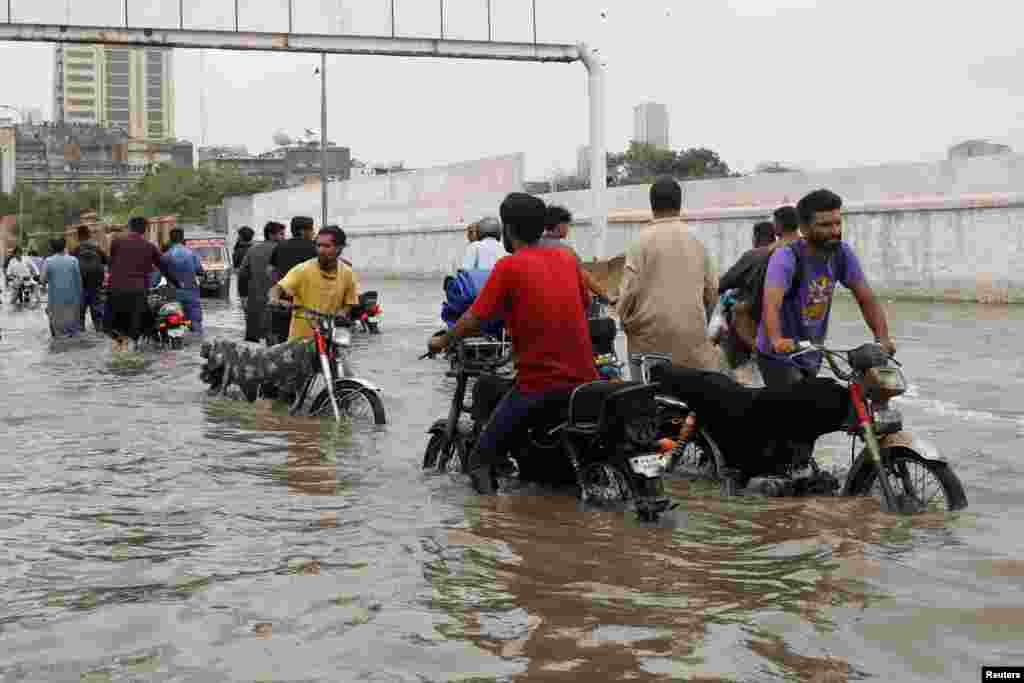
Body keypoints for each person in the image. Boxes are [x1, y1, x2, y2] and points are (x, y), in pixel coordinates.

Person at [427, 193, 599, 495]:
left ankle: (487, 530)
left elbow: (473, 319)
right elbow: (583, 306)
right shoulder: (567, 259)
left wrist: (444, 340)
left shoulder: (509, 267)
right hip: (586, 382)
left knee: (480, 458)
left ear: (507, 229)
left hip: (539, 385)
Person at [759, 188, 895, 388]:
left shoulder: (842, 254)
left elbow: (866, 299)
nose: (834, 231)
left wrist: (882, 339)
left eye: (837, 223)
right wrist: (777, 340)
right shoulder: (786, 257)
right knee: (795, 405)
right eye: (824, 225)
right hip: (778, 355)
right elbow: (771, 304)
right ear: (804, 229)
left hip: (811, 351)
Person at [617, 176, 720, 380]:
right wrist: (698, 321)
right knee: (694, 400)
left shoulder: (640, 241)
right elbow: (712, 291)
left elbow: (629, 292)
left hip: (649, 341)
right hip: (692, 341)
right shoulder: (697, 239)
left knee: (647, 398)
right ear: (679, 203)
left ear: (652, 204)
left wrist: (625, 321)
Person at [268, 225, 358, 341]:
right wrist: (274, 299)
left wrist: (342, 313)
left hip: (330, 337)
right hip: (300, 342)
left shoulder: (348, 273)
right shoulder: (302, 269)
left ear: (339, 248)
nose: (321, 250)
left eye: (327, 246)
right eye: (318, 245)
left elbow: (349, 302)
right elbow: (277, 288)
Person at [108, 216, 179, 352]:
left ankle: (120, 346)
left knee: (118, 327)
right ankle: (139, 345)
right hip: (138, 291)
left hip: (116, 290)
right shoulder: (150, 247)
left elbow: (111, 264)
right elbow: (164, 268)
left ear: (129, 228)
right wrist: (177, 283)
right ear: (146, 230)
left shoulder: (116, 242)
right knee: (143, 323)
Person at [540, 205, 616, 307]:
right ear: (560, 225)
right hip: (565, 302)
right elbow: (584, 276)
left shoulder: (536, 244)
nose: (568, 228)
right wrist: (606, 297)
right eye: (567, 225)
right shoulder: (564, 249)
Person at [268, 216, 319, 343]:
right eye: (311, 229)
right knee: (310, 340)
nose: (313, 232)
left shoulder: (280, 246)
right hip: (308, 303)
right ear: (303, 231)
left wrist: (280, 284)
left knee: (284, 340)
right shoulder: (315, 248)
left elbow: (269, 270)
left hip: (283, 301)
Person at [238, 221, 286, 343]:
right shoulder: (282, 249)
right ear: (271, 235)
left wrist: (243, 297)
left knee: (253, 341)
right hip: (277, 302)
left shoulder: (252, 249)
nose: (284, 237)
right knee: (275, 340)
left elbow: (242, 274)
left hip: (255, 301)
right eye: (281, 234)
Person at [161, 228, 206, 336]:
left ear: (170, 240)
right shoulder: (191, 254)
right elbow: (201, 273)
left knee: (173, 328)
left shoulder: (166, 255)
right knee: (195, 325)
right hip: (191, 293)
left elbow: (156, 279)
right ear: (183, 239)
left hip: (173, 294)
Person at [40, 238, 83, 337]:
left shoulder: (48, 261)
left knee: (57, 334)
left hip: (55, 302)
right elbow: (79, 281)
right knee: (73, 332)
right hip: (72, 301)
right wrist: (79, 298)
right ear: (64, 247)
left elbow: (42, 280)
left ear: (53, 249)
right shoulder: (73, 260)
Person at [71, 225, 108, 332]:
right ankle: (99, 330)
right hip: (96, 283)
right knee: (97, 310)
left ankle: (81, 330)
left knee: (80, 311)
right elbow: (106, 260)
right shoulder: (96, 247)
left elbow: (71, 264)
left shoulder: (76, 249)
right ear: (89, 234)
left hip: (81, 284)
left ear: (79, 236)